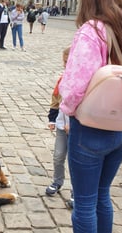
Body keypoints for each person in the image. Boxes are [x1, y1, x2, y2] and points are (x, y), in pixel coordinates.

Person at [59, 0, 122, 232]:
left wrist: (67, 111)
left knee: (84, 203)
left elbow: (75, 87)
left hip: (92, 129)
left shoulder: (92, 31)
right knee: (102, 195)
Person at [45, 47, 73, 208]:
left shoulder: (83, 79)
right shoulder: (62, 79)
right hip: (62, 125)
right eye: (64, 61)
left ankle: (77, 192)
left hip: (78, 128)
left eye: (68, 61)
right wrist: (52, 119)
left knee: (76, 161)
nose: (65, 64)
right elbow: (56, 99)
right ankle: (57, 181)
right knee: (58, 155)